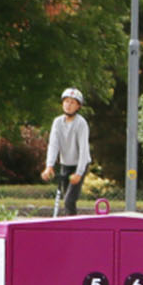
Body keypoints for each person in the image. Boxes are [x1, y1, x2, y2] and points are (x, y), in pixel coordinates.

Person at [41, 88, 90, 216]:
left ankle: (73, 230)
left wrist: (79, 173)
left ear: (78, 106)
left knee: (69, 200)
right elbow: (53, 144)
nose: (68, 105)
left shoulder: (81, 123)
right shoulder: (57, 122)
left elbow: (84, 150)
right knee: (65, 199)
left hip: (80, 164)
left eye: (72, 102)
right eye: (66, 101)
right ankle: (68, 226)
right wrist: (49, 166)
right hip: (65, 164)